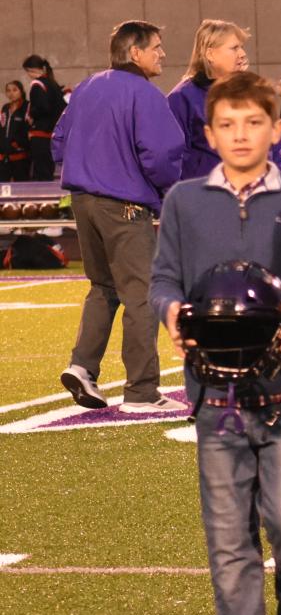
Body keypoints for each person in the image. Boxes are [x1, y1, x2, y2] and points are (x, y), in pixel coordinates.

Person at [150, 71, 281, 615]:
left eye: (253, 122)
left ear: (277, 130)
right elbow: (164, 278)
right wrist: (170, 313)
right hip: (213, 391)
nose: (240, 134)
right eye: (226, 124)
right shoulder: (183, 202)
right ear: (209, 133)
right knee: (228, 537)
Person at [52, 21, 187, 414]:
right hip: (125, 204)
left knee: (102, 287)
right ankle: (142, 391)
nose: (162, 53)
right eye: (156, 47)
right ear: (135, 53)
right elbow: (161, 156)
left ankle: (82, 366)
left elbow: (58, 142)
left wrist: (89, 165)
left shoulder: (88, 87)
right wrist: (165, 192)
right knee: (142, 295)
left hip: (83, 200)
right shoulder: (145, 94)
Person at [168, 20, 281, 181]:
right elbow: (174, 157)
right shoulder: (182, 97)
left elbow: (276, 144)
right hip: (209, 198)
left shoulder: (254, 90)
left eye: (241, 47)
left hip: (259, 193)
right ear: (210, 54)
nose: (242, 54)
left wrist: (276, 182)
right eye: (234, 48)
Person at [21, 55, 65, 181]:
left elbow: (42, 108)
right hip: (51, 133)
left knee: (40, 172)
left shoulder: (37, 85)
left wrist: (31, 115)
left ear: (30, 70)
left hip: (40, 134)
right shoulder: (52, 84)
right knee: (47, 171)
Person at [1, 81, 30, 182]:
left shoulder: (27, 107)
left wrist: (19, 143)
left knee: (22, 188)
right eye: (8, 91)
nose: (11, 93)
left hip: (21, 157)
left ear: (21, 91)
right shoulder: (5, 108)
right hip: (4, 157)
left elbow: (29, 129)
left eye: (14, 90)